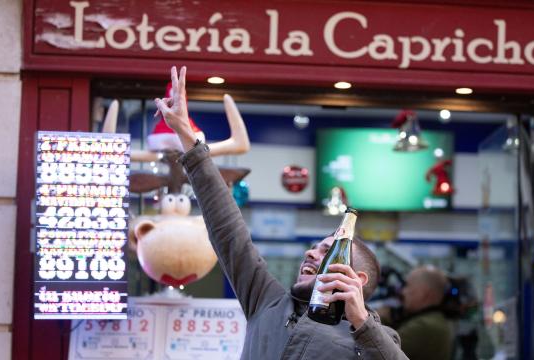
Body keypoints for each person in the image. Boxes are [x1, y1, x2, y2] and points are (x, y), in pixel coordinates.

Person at [154, 66, 407, 359]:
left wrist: (362, 323)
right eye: (312, 249)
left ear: (357, 279)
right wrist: (187, 137)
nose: (310, 254)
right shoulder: (268, 301)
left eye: (327, 251)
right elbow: (229, 233)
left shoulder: (374, 338)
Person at [378, 265, 454, 360]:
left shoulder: (425, 326)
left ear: (425, 294)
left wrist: (379, 319)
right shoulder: (435, 319)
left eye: (408, 286)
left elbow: (378, 351)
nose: (403, 292)